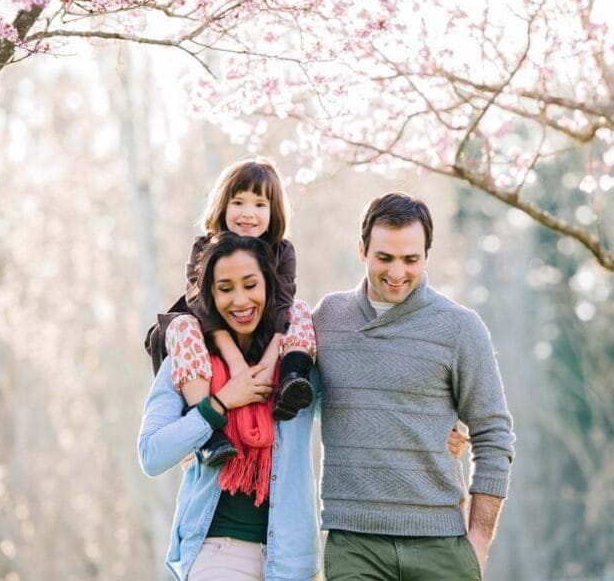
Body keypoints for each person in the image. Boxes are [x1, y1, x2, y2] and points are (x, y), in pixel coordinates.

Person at [313, 192, 515, 580]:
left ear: (427, 256)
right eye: (384, 257)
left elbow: (493, 434)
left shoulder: (459, 328)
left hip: (441, 544)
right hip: (355, 545)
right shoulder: (328, 319)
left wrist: (478, 542)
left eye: (411, 259)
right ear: (362, 250)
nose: (397, 272)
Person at [138, 233, 321, 580]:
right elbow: (151, 454)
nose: (240, 300)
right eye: (225, 288)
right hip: (216, 552)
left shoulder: (297, 361)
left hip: (291, 560)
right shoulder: (191, 361)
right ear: (210, 296)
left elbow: (355, 405)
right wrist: (219, 404)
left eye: (250, 284)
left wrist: (439, 427)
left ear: (270, 288)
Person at [170, 157, 313, 466]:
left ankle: (292, 382)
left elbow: (283, 307)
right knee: (181, 325)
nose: (248, 213)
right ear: (222, 205)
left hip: (265, 337)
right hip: (213, 334)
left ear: (273, 212)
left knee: (300, 310)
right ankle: (208, 434)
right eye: (238, 202)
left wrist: (268, 363)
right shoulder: (205, 248)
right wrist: (234, 362)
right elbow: (202, 307)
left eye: (260, 204)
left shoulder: (282, 251)